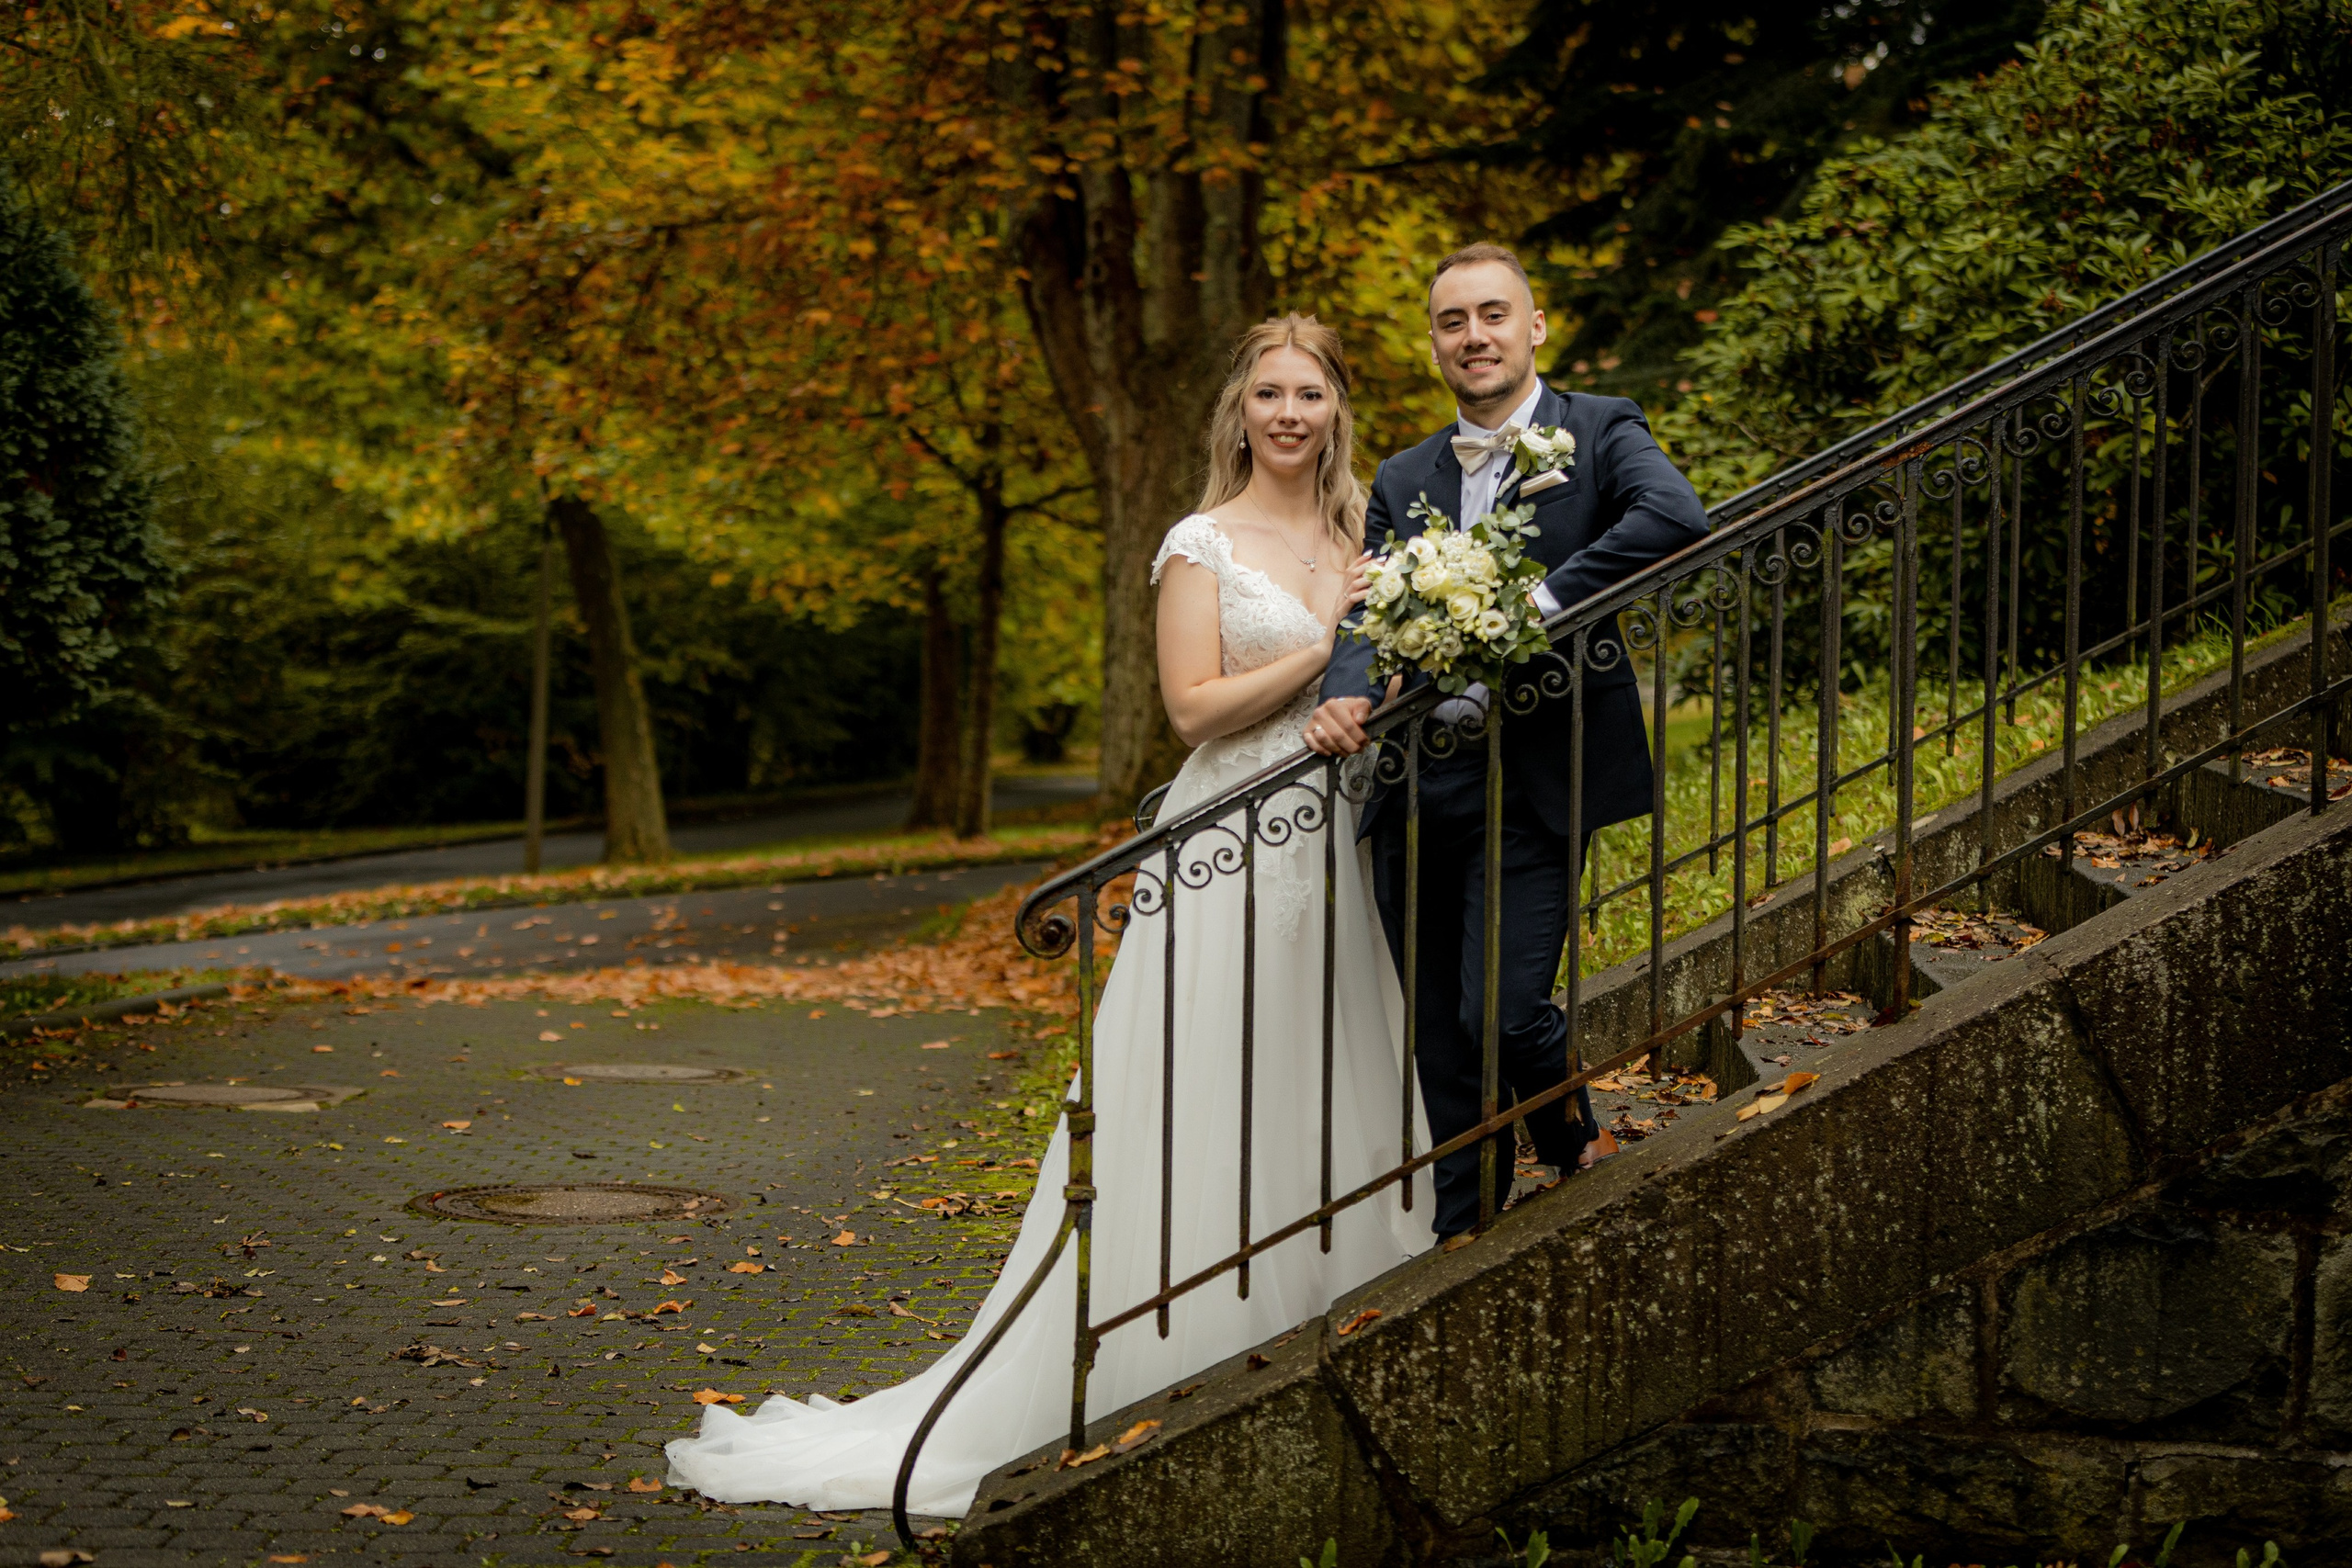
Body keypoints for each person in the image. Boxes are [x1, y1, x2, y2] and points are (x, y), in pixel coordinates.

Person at [664, 314, 1429, 1517]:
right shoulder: (1200, 543)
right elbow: (1191, 709)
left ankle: (1320, 1324)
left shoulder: (1361, 537)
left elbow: (1379, 676)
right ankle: (1171, 1349)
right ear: (1238, 413)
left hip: (1334, 836)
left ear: (1337, 410)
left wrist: (1371, 672)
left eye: (1310, 394)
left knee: (1315, 1065)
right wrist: (1324, 649)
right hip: (1228, 843)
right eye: (1269, 393)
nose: (1289, 414)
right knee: (1210, 1079)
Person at [1306, 243, 1711, 1250]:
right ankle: (1464, 1225)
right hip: (1417, 780)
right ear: (1434, 344)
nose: (1474, 336)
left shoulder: (1600, 428)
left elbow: (1674, 515)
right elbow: (1367, 610)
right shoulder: (1404, 474)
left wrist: (1538, 603)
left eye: (1493, 314)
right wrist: (1345, 693)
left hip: (1535, 773)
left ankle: (1569, 1134)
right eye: (1453, 322)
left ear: (1535, 327)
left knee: (1502, 1011)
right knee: (1439, 1032)